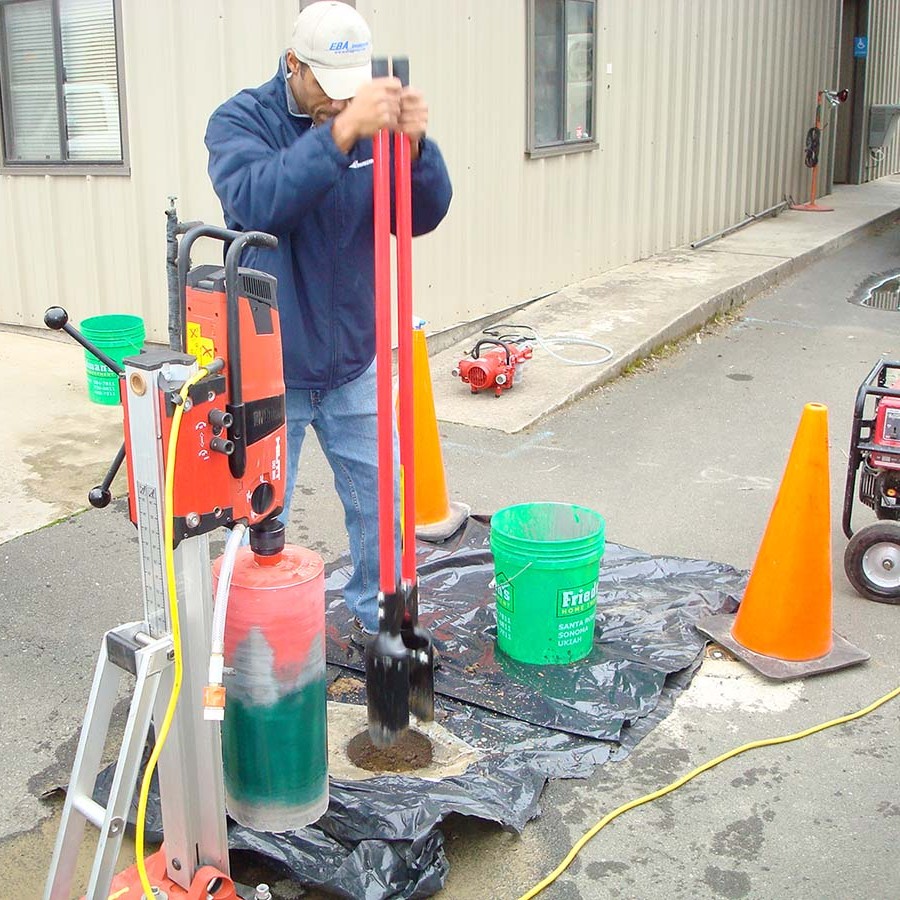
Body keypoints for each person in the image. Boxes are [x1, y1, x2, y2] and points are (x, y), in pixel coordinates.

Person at [205, 1, 452, 643]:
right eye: (329, 91)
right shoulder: (242, 121)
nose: (343, 104)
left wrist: (419, 149)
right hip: (271, 369)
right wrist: (341, 137)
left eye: (353, 91)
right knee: (259, 517)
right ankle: (245, 646)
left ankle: (384, 623)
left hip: (354, 360)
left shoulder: (369, 120)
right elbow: (257, 202)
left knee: (382, 508)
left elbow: (419, 215)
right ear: (294, 66)